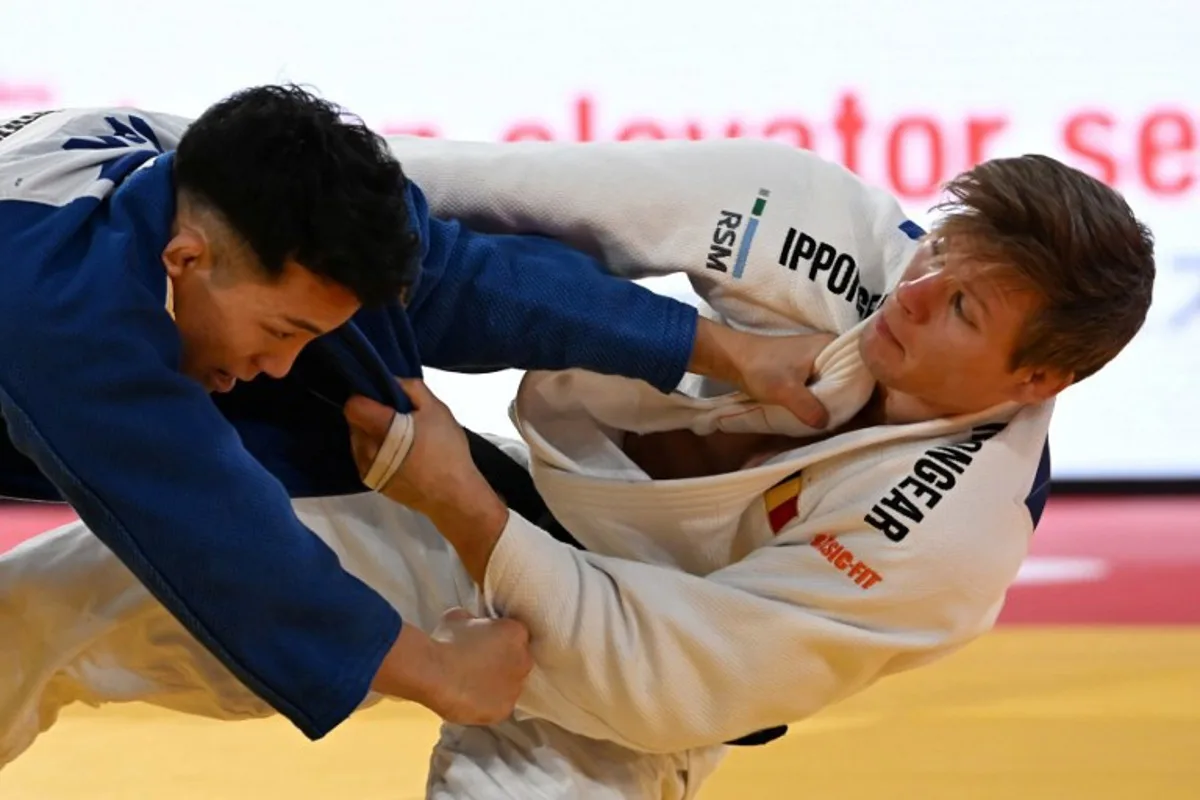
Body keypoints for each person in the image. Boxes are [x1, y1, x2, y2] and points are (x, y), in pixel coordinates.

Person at [0, 137, 1155, 798]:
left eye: (961, 306)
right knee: (40, 604)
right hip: (503, 510)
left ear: (1035, 379)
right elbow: (479, 198)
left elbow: (661, 680)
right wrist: (242, 188)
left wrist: (458, 502)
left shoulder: (950, 542)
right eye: (937, 250)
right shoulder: (819, 221)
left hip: (624, 692)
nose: (914, 291)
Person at [0, 87, 829, 747]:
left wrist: (724, 348)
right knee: (29, 619)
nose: (282, 362)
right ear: (184, 259)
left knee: (356, 395)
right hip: (34, 339)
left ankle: (624, 622)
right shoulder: (62, 313)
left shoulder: (226, 179)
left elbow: (458, 281)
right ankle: (623, 636)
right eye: (281, 331)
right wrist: (435, 670)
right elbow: (209, 532)